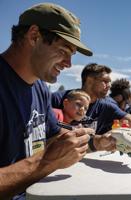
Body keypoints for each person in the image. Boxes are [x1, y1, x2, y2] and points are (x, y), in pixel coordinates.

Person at [0, 3, 115, 199]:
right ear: (34, 36)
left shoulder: (40, 88)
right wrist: (45, 162)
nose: (69, 64)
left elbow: (53, 134)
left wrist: (95, 142)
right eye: (64, 51)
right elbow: (48, 157)